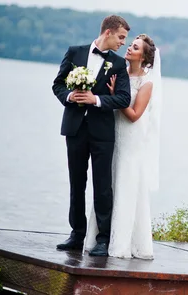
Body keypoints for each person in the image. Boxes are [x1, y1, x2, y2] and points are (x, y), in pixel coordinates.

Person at [52, 15, 131, 257]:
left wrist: (95, 99)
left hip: (102, 133)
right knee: (77, 183)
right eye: (121, 37)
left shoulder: (118, 65)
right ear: (108, 32)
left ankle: (103, 239)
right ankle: (76, 234)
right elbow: (58, 84)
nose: (123, 43)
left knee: (102, 186)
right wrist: (69, 96)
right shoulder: (75, 52)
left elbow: (123, 98)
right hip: (75, 129)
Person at [84, 34, 162, 259]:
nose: (128, 48)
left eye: (134, 47)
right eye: (129, 45)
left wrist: (115, 97)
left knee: (125, 185)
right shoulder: (120, 73)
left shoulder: (147, 83)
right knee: (107, 184)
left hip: (131, 138)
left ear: (144, 57)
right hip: (112, 134)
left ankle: (120, 242)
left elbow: (135, 115)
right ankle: (100, 236)